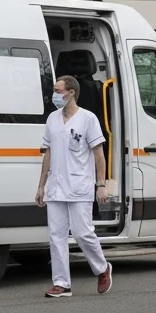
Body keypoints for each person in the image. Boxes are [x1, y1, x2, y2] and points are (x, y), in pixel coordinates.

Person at [35, 74, 113, 298]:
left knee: (82, 232)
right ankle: (61, 283)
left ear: (71, 93)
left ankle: (102, 268)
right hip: (56, 186)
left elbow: (99, 154)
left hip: (80, 184)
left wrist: (101, 185)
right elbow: (48, 153)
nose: (54, 95)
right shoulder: (52, 119)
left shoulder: (88, 119)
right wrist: (41, 185)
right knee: (56, 235)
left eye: (58, 91)